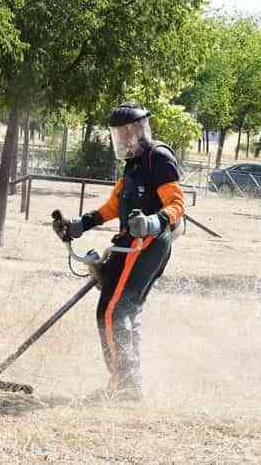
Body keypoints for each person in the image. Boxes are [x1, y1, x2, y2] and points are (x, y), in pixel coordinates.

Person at [52, 102, 185, 401]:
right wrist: (80, 224)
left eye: (124, 132)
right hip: (131, 241)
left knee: (111, 311)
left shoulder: (158, 158)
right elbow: (115, 205)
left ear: (138, 129)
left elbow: (177, 205)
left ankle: (123, 387)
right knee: (124, 309)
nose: (121, 139)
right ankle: (129, 384)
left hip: (149, 242)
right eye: (117, 134)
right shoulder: (133, 164)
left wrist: (152, 222)